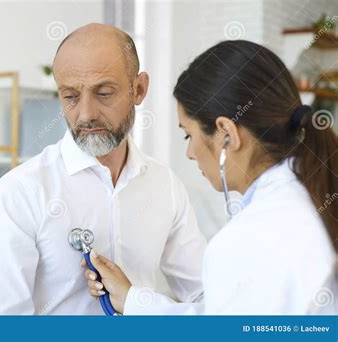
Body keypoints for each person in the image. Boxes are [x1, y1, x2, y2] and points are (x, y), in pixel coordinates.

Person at [83, 40, 337, 315]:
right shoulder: (315, 194)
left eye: (188, 135)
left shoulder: (247, 241)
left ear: (226, 132)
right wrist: (135, 301)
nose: (190, 153)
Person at [0, 23, 207, 315]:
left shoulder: (165, 186)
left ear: (139, 89)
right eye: (70, 96)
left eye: (104, 93)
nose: (86, 114)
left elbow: (205, 295)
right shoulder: (18, 194)